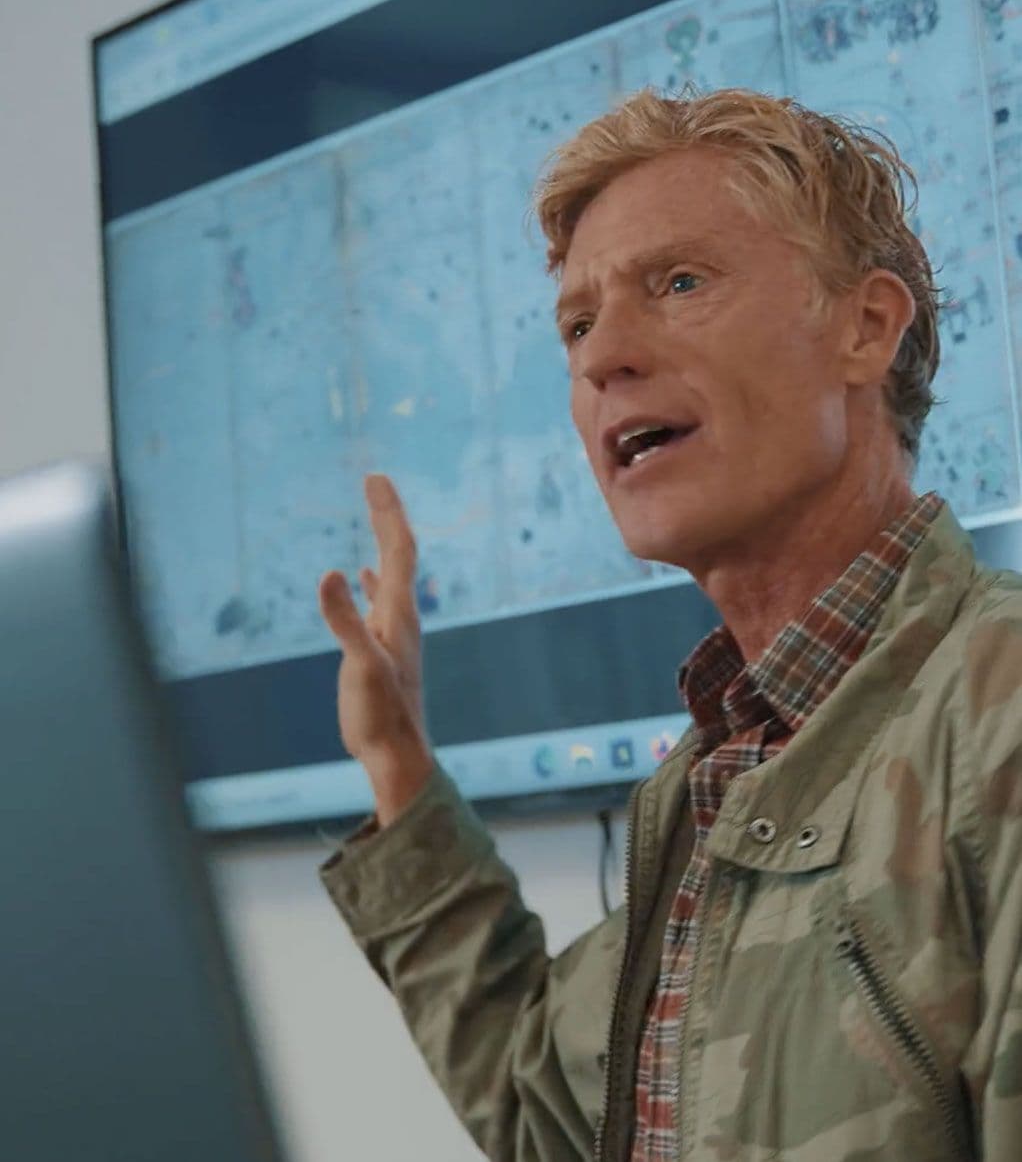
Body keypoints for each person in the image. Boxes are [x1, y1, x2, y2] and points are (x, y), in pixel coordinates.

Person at [315, 88, 1022, 1161]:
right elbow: (540, 1110)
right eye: (577, 325)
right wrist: (398, 769)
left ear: (865, 328)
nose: (602, 357)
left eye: (679, 282)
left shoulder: (996, 709)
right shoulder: (715, 774)